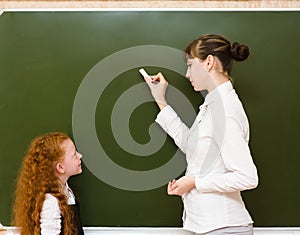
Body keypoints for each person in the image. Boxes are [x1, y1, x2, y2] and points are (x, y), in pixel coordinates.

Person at [143, 34, 259, 235]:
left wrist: (194, 181)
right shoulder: (212, 105)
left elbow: (247, 177)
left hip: (224, 227)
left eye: (190, 65)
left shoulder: (225, 111)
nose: (188, 74)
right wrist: (160, 99)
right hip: (208, 226)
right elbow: (190, 144)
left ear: (209, 62)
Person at [9, 132, 84, 235]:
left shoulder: (66, 191)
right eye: (74, 155)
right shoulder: (51, 202)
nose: (80, 156)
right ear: (60, 168)